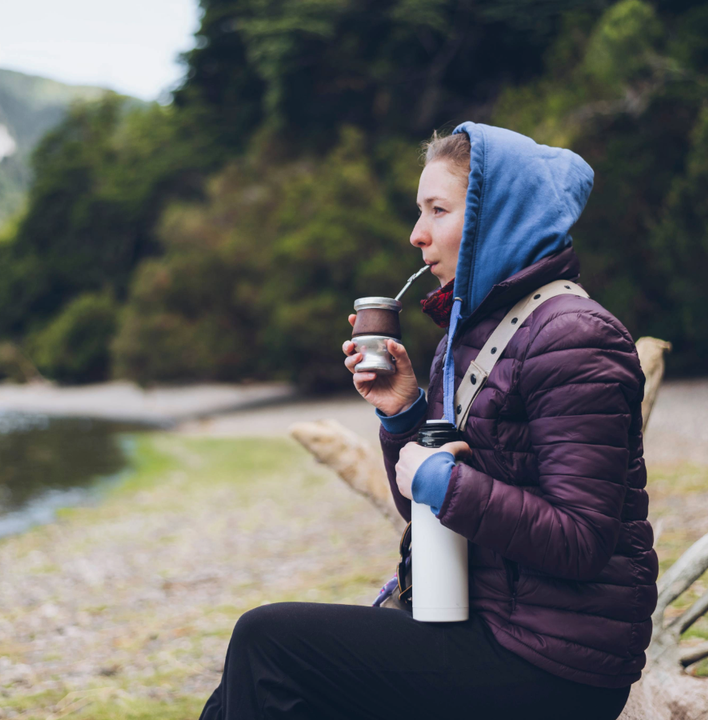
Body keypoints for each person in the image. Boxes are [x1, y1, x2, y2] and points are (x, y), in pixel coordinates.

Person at [199, 123, 657, 720]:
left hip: (556, 664)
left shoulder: (575, 336)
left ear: (501, 218)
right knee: (244, 684)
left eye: (437, 211)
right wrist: (403, 415)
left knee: (268, 642)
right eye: (420, 212)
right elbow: (429, 500)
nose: (417, 235)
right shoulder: (467, 337)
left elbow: (580, 539)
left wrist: (447, 483)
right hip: (482, 620)